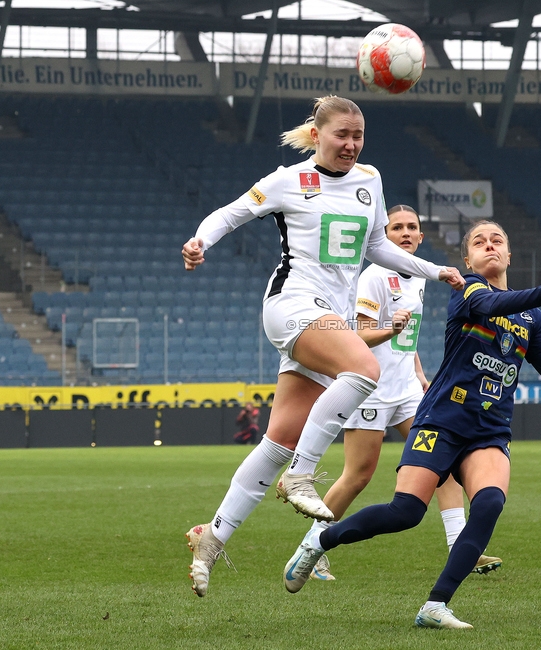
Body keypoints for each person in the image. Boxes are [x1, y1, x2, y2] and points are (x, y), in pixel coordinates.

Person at [281, 220, 541, 629]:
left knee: (489, 503)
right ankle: (320, 542)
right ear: (468, 259)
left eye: (498, 241)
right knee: (405, 512)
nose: (489, 246)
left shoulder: (531, 319)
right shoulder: (467, 292)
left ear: (508, 255)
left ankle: (435, 605)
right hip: (441, 420)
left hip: (489, 431)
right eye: (479, 242)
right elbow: (492, 306)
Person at [180, 95, 465, 597]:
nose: (351, 145)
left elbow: (377, 246)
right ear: (318, 135)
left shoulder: (369, 181)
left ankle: (213, 535)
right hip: (291, 302)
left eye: (358, 137)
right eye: (342, 136)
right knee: (363, 368)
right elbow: (228, 215)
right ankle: (303, 476)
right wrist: (200, 241)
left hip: (328, 315)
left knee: (278, 441)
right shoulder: (287, 181)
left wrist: (433, 269)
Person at [306, 205, 500, 583]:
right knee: (358, 475)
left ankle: (461, 546)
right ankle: (312, 546)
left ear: (421, 236)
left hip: (409, 391)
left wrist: (420, 374)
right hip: (373, 391)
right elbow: (358, 336)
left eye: (412, 227)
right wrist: (390, 331)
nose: (406, 233)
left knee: (441, 464)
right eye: (397, 228)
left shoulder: (419, 275)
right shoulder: (374, 276)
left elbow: (406, 339)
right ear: (384, 235)